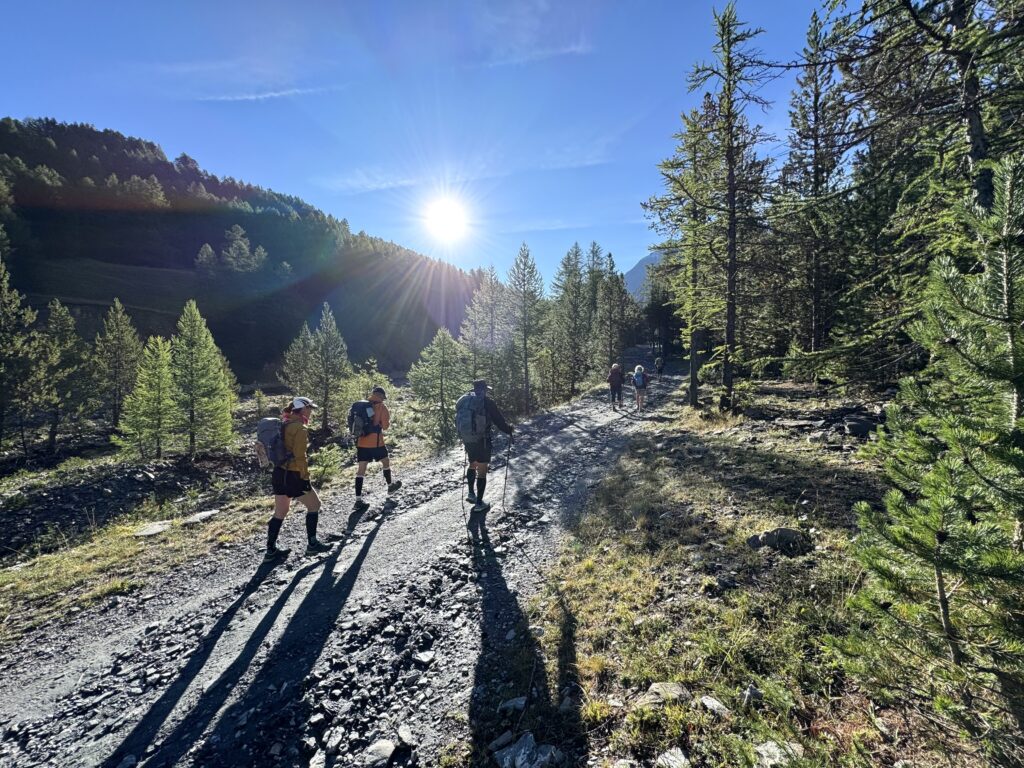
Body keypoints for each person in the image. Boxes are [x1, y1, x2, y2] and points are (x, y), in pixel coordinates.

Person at [266, 396, 329, 561]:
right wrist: (305, 476)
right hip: (294, 475)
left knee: (280, 511)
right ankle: (312, 545)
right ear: (303, 409)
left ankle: (270, 551)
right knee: (315, 505)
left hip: (279, 473)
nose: (311, 412)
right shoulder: (300, 428)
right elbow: (300, 456)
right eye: (310, 408)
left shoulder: (284, 424)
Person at [462, 379, 513, 514]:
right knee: (482, 469)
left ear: (474, 389)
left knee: (472, 464)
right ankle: (479, 503)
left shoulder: (465, 401)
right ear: (484, 390)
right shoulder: (487, 402)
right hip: (482, 441)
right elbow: (499, 421)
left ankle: (471, 493)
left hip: (468, 440)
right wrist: (509, 430)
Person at [352, 386, 402, 511]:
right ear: (380, 396)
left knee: (361, 470)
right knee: (385, 461)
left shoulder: (363, 405)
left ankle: (358, 500)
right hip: (376, 442)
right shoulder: (382, 407)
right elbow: (385, 427)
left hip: (362, 442)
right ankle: (390, 486)